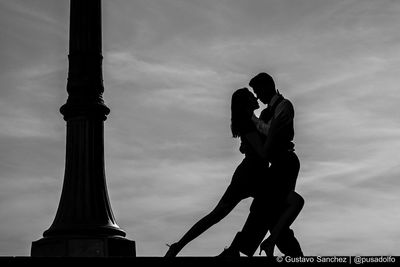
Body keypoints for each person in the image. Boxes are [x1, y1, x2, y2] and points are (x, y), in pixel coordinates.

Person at [164, 88, 269, 257]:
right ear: (245, 102)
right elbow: (262, 151)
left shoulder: (251, 120)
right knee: (220, 214)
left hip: (253, 172)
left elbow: (250, 145)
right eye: (251, 96)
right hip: (251, 174)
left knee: (223, 214)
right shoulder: (247, 122)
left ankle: (181, 246)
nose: (255, 97)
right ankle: (180, 246)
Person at [220, 72, 304, 257]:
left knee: (268, 207)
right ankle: (290, 254)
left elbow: (269, 131)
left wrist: (251, 118)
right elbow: (261, 137)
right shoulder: (266, 112)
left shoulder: (284, 106)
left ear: (267, 87)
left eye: (258, 91)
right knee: (270, 209)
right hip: (277, 164)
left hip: (286, 163)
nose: (257, 96)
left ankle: (238, 249)